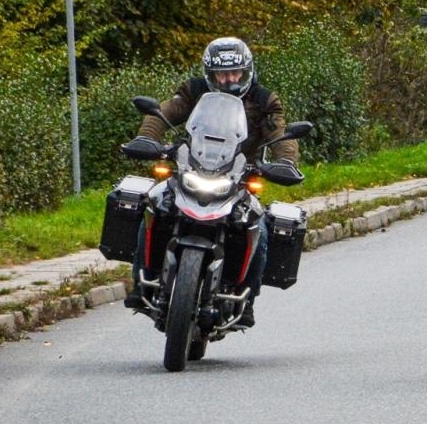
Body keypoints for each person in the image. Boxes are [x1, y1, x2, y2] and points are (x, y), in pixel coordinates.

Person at [120, 37, 300, 326]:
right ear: (210, 74)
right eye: (222, 74)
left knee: (260, 228)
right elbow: (166, 111)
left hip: (239, 176)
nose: (229, 80)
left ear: (246, 71)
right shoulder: (194, 90)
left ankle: (246, 297)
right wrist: (146, 137)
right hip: (193, 166)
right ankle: (143, 282)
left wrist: (285, 161)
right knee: (153, 207)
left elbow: (278, 133)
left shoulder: (264, 99)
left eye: (235, 73)